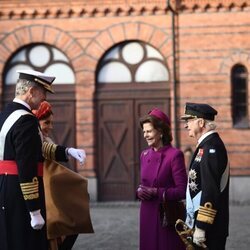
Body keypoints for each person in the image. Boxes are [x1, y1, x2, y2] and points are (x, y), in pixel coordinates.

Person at [0, 70, 85, 250]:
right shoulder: (26, 120)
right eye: (43, 92)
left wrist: (67, 151)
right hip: (20, 192)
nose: (44, 98)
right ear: (31, 92)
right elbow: (27, 165)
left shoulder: (6, 113)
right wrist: (34, 210)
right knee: (27, 242)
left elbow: (35, 148)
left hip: (5, 186)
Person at [33, 101, 93, 250]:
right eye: (46, 122)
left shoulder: (45, 140)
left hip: (53, 194)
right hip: (42, 196)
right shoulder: (32, 139)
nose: (50, 127)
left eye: (51, 123)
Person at [136, 107, 187, 250]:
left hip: (166, 215)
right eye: (144, 131)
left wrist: (156, 192)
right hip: (147, 213)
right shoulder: (144, 155)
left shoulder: (174, 155)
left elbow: (182, 190)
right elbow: (143, 184)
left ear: (161, 131)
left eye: (149, 131)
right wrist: (139, 191)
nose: (145, 135)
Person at [180, 102, 229, 250]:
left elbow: (210, 190)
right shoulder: (206, 145)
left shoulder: (211, 147)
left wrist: (202, 226)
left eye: (189, 121)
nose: (185, 125)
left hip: (210, 228)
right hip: (204, 223)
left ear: (201, 122)